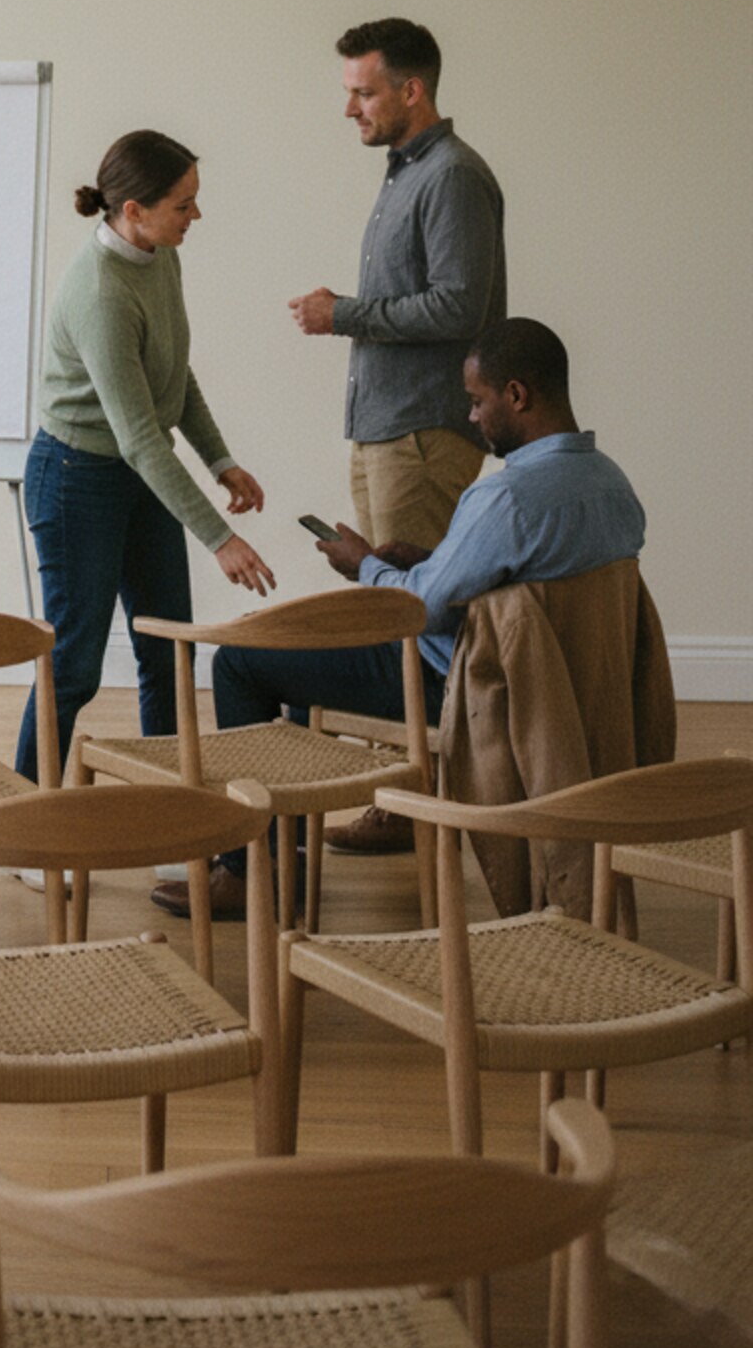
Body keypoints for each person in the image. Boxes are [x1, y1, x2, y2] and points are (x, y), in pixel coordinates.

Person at [151, 317, 645, 919]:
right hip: (567, 692)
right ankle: (290, 847)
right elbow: (529, 588)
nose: (471, 417)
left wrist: (363, 565)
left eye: (476, 401)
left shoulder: (506, 497)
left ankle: (257, 872)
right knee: (304, 667)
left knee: (241, 665)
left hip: (465, 687)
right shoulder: (614, 486)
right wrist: (436, 560)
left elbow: (418, 610)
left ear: (516, 395)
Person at [288, 16, 506, 855]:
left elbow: (461, 305)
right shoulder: (407, 173)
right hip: (387, 432)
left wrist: (344, 314)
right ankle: (403, 796)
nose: (350, 108)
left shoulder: (451, 176)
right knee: (391, 615)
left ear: (411, 89)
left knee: (421, 617)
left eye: (363, 90)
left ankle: (422, 803)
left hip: (423, 435)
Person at [16, 130, 274, 788]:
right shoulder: (100, 294)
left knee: (167, 653)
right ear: (133, 209)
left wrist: (221, 461)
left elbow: (172, 372)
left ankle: (169, 822)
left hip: (134, 471)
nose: (195, 216)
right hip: (77, 478)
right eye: (182, 204)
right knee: (74, 663)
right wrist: (220, 538)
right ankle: (21, 812)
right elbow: (138, 438)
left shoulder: (158, 255)